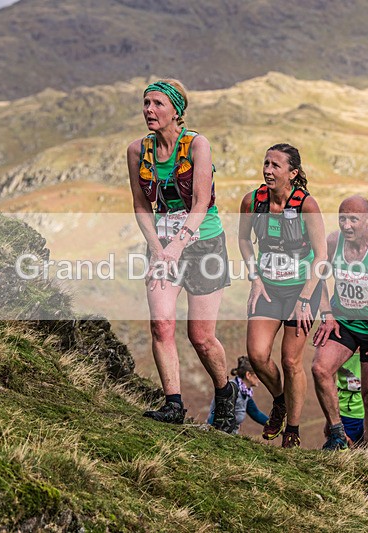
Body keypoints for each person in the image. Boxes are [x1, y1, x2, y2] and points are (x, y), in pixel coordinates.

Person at [127, 79, 236, 431]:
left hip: (203, 244)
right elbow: (141, 206)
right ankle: (173, 403)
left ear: (176, 110)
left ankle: (224, 391)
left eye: (157, 103)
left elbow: (201, 202)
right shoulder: (136, 151)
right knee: (161, 324)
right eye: (145, 103)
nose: (148, 110)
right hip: (161, 248)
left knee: (201, 336)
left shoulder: (197, 145)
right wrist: (159, 250)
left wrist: (177, 245)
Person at [237, 143, 328, 448]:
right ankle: (280, 401)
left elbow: (321, 256)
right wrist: (254, 277)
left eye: (276, 165)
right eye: (266, 163)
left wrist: (305, 299)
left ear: (293, 173)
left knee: (291, 361)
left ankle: (293, 429)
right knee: (258, 355)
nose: (268, 170)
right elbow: (243, 240)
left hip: (302, 291)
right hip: (268, 287)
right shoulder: (253, 201)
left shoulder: (306, 205)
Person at [311, 195, 368, 458]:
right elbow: (317, 277)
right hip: (344, 322)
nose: (347, 225)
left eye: (354, 219)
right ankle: (337, 434)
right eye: (342, 218)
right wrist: (327, 313)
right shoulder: (332, 242)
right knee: (320, 368)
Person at [207, 356, 269, 434]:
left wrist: (276, 426)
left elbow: (255, 413)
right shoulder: (231, 389)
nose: (260, 379)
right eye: (258, 375)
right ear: (248, 375)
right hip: (219, 434)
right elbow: (217, 411)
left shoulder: (245, 393)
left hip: (231, 435)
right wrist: (211, 431)